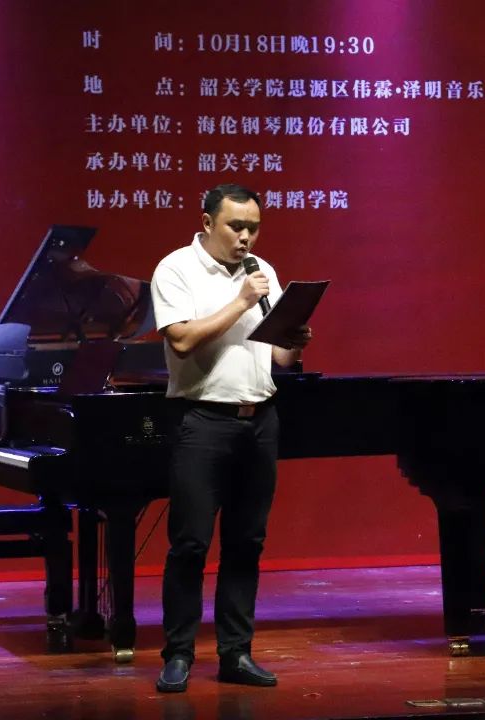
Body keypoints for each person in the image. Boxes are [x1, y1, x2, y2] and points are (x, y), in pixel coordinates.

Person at [149, 183, 312, 693]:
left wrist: (295, 340)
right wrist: (241, 301)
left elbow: (280, 356)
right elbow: (180, 339)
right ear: (207, 223)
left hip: (259, 419)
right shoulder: (176, 268)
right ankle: (178, 654)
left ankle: (235, 653)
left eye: (253, 228)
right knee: (190, 543)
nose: (246, 238)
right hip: (202, 419)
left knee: (246, 542)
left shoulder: (262, 271)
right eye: (236, 227)